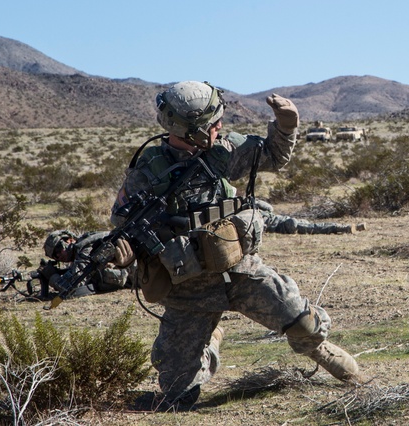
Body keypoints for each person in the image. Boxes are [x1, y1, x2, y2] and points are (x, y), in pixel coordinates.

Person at [107, 81, 364, 406]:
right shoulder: (146, 172)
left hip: (240, 271)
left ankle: (329, 358)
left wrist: (287, 126)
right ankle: (210, 342)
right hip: (187, 289)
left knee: (303, 323)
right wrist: (124, 252)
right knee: (177, 397)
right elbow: (124, 223)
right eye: (214, 122)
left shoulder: (223, 153)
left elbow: (273, 155)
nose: (220, 126)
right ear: (191, 130)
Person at [41, 229, 131, 299]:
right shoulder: (85, 245)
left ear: (69, 240)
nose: (58, 256)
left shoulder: (85, 249)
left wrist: (52, 276)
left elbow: (71, 287)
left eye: (58, 249)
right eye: (54, 256)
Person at [255, 199, 365, 235]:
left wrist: (255, 202)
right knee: (316, 227)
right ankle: (343, 228)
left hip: (286, 221)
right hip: (286, 225)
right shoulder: (250, 217)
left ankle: (346, 227)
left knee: (314, 226)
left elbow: (269, 209)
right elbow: (269, 208)